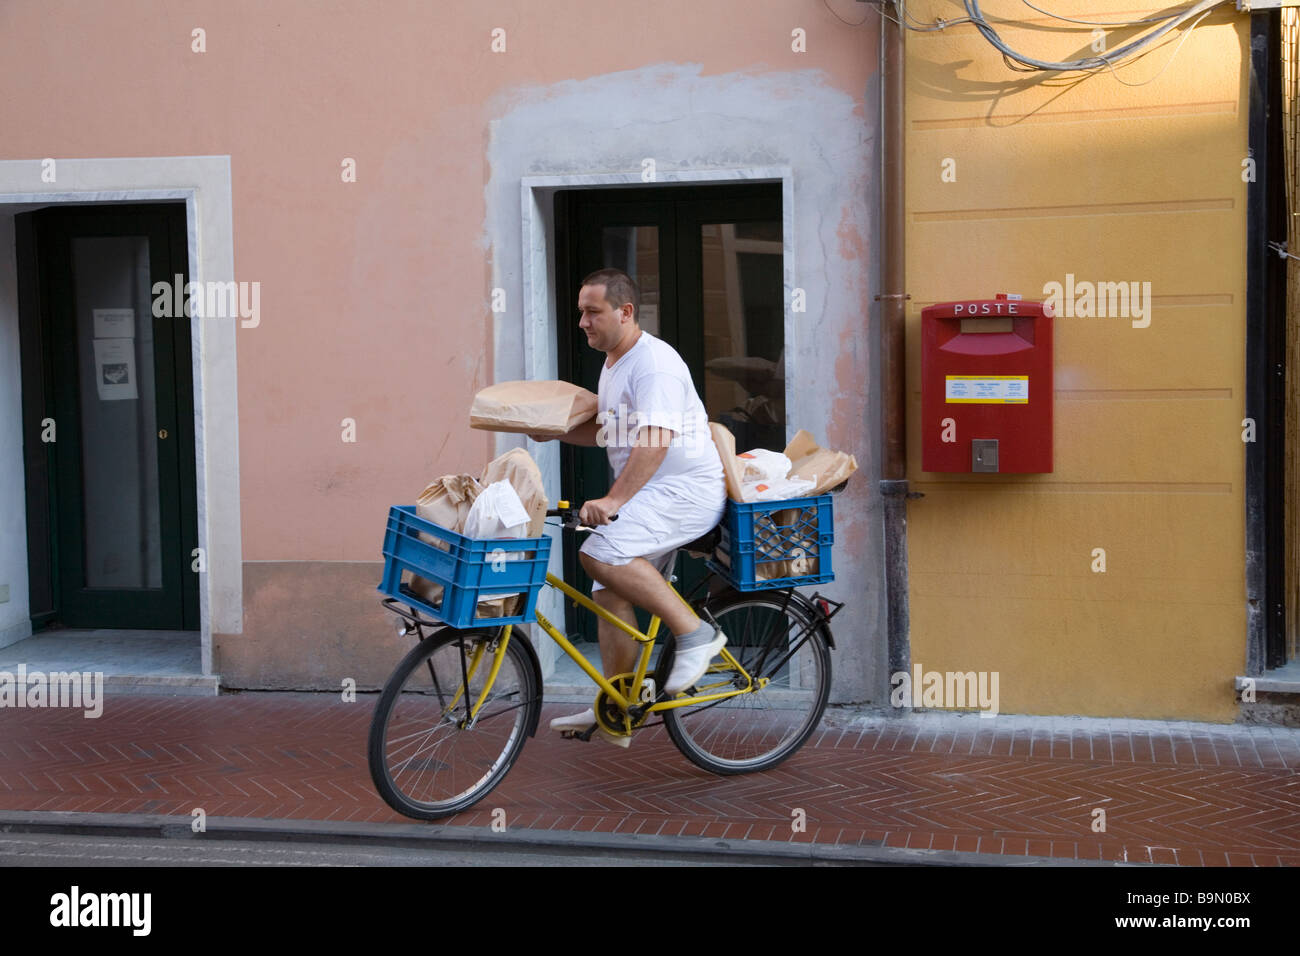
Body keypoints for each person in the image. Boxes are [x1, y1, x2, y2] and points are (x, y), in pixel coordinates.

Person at [533, 268, 727, 746]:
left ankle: (696, 634)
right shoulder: (615, 362)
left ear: (625, 312)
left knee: (599, 553)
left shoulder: (653, 364)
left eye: (592, 312)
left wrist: (614, 500)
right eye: (581, 311)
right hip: (654, 495)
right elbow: (608, 431)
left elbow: (655, 441)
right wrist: (552, 429)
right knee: (607, 593)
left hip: (685, 492)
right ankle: (619, 702)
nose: (583, 321)